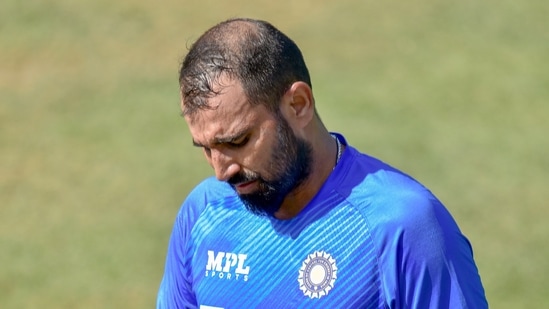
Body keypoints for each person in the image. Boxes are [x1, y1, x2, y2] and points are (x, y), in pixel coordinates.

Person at [157, 18, 488, 309]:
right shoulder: (203, 213)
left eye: (237, 142)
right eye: (207, 148)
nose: (221, 171)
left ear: (298, 105)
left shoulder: (403, 228)